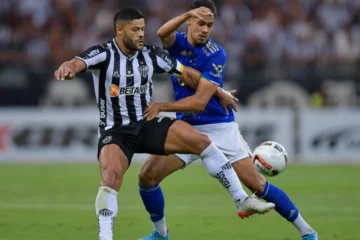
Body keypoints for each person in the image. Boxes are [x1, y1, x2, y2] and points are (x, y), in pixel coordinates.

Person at [54, 7, 274, 240]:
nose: (141, 34)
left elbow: (188, 74)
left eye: (142, 28)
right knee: (110, 179)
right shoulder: (104, 53)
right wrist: (68, 68)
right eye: (135, 30)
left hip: (147, 122)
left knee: (201, 141)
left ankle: (242, 200)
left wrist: (218, 91)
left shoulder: (152, 55)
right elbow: (76, 62)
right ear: (119, 31)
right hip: (116, 131)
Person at [138, 1, 319, 240]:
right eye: (200, 23)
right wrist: (186, 14)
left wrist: (162, 106)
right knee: (147, 176)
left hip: (218, 127)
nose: (205, 29)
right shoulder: (177, 43)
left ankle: (308, 232)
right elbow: (162, 32)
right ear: (189, 21)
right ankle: (160, 234)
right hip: (187, 128)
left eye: (210, 25)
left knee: (257, 185)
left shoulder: (216, 54)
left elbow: (199, 103)